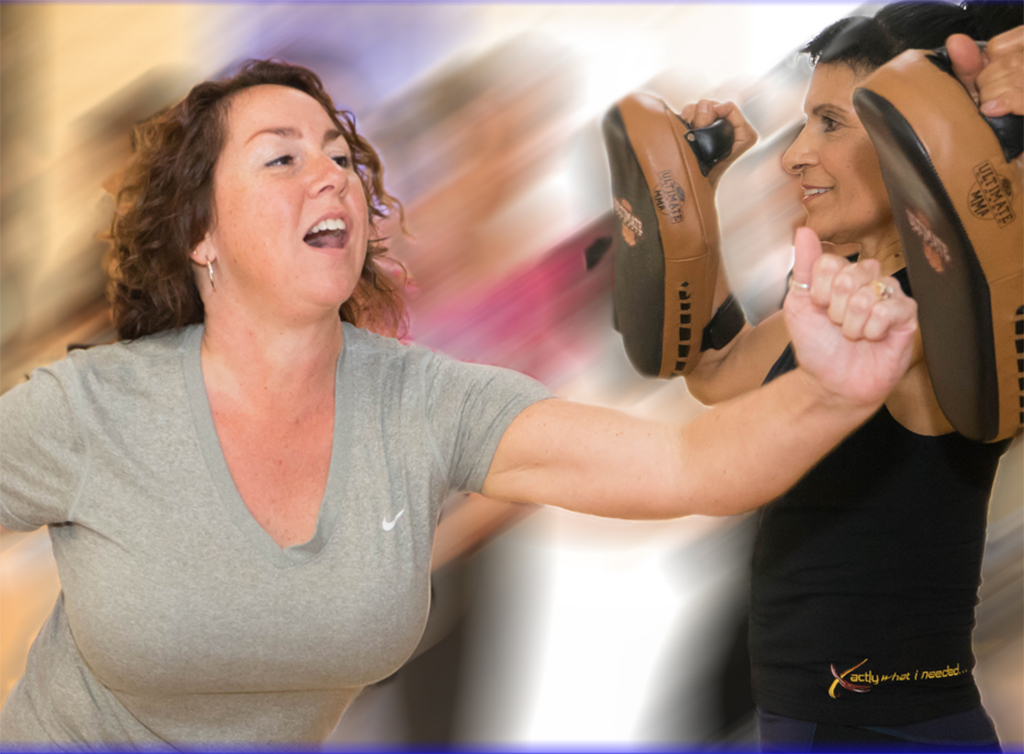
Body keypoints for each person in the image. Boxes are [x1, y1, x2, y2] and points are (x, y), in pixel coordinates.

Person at [0, 59, 917, 746]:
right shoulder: (92, 408)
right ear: (200, 232)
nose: (331, 175)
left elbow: (689, 466)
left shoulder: (428, 403)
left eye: (341, 153)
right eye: (282, 158)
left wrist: (835, 390)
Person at [679, 3, 1022, 750]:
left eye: (831, 122)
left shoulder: (939, 313)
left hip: (880, 727)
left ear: (917, 135)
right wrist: (696, 188)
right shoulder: (852, 292)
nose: (794, 154)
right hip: (812, 717)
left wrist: (1001, 141)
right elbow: (713, 365)